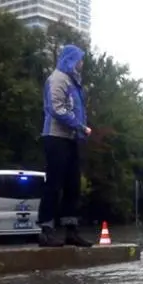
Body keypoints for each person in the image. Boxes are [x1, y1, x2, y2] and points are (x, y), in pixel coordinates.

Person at [39, 44, 94, 247]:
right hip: (55, 137)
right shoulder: (57, 78)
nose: (81, 63)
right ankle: (46, 230)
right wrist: (80, 126)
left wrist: (79, 130)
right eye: (79, 59)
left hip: (71, 138)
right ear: (70, 59)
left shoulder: (72, 80)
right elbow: (56, 108)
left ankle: (71, 230)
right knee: (53, 184)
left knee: (73, 185)